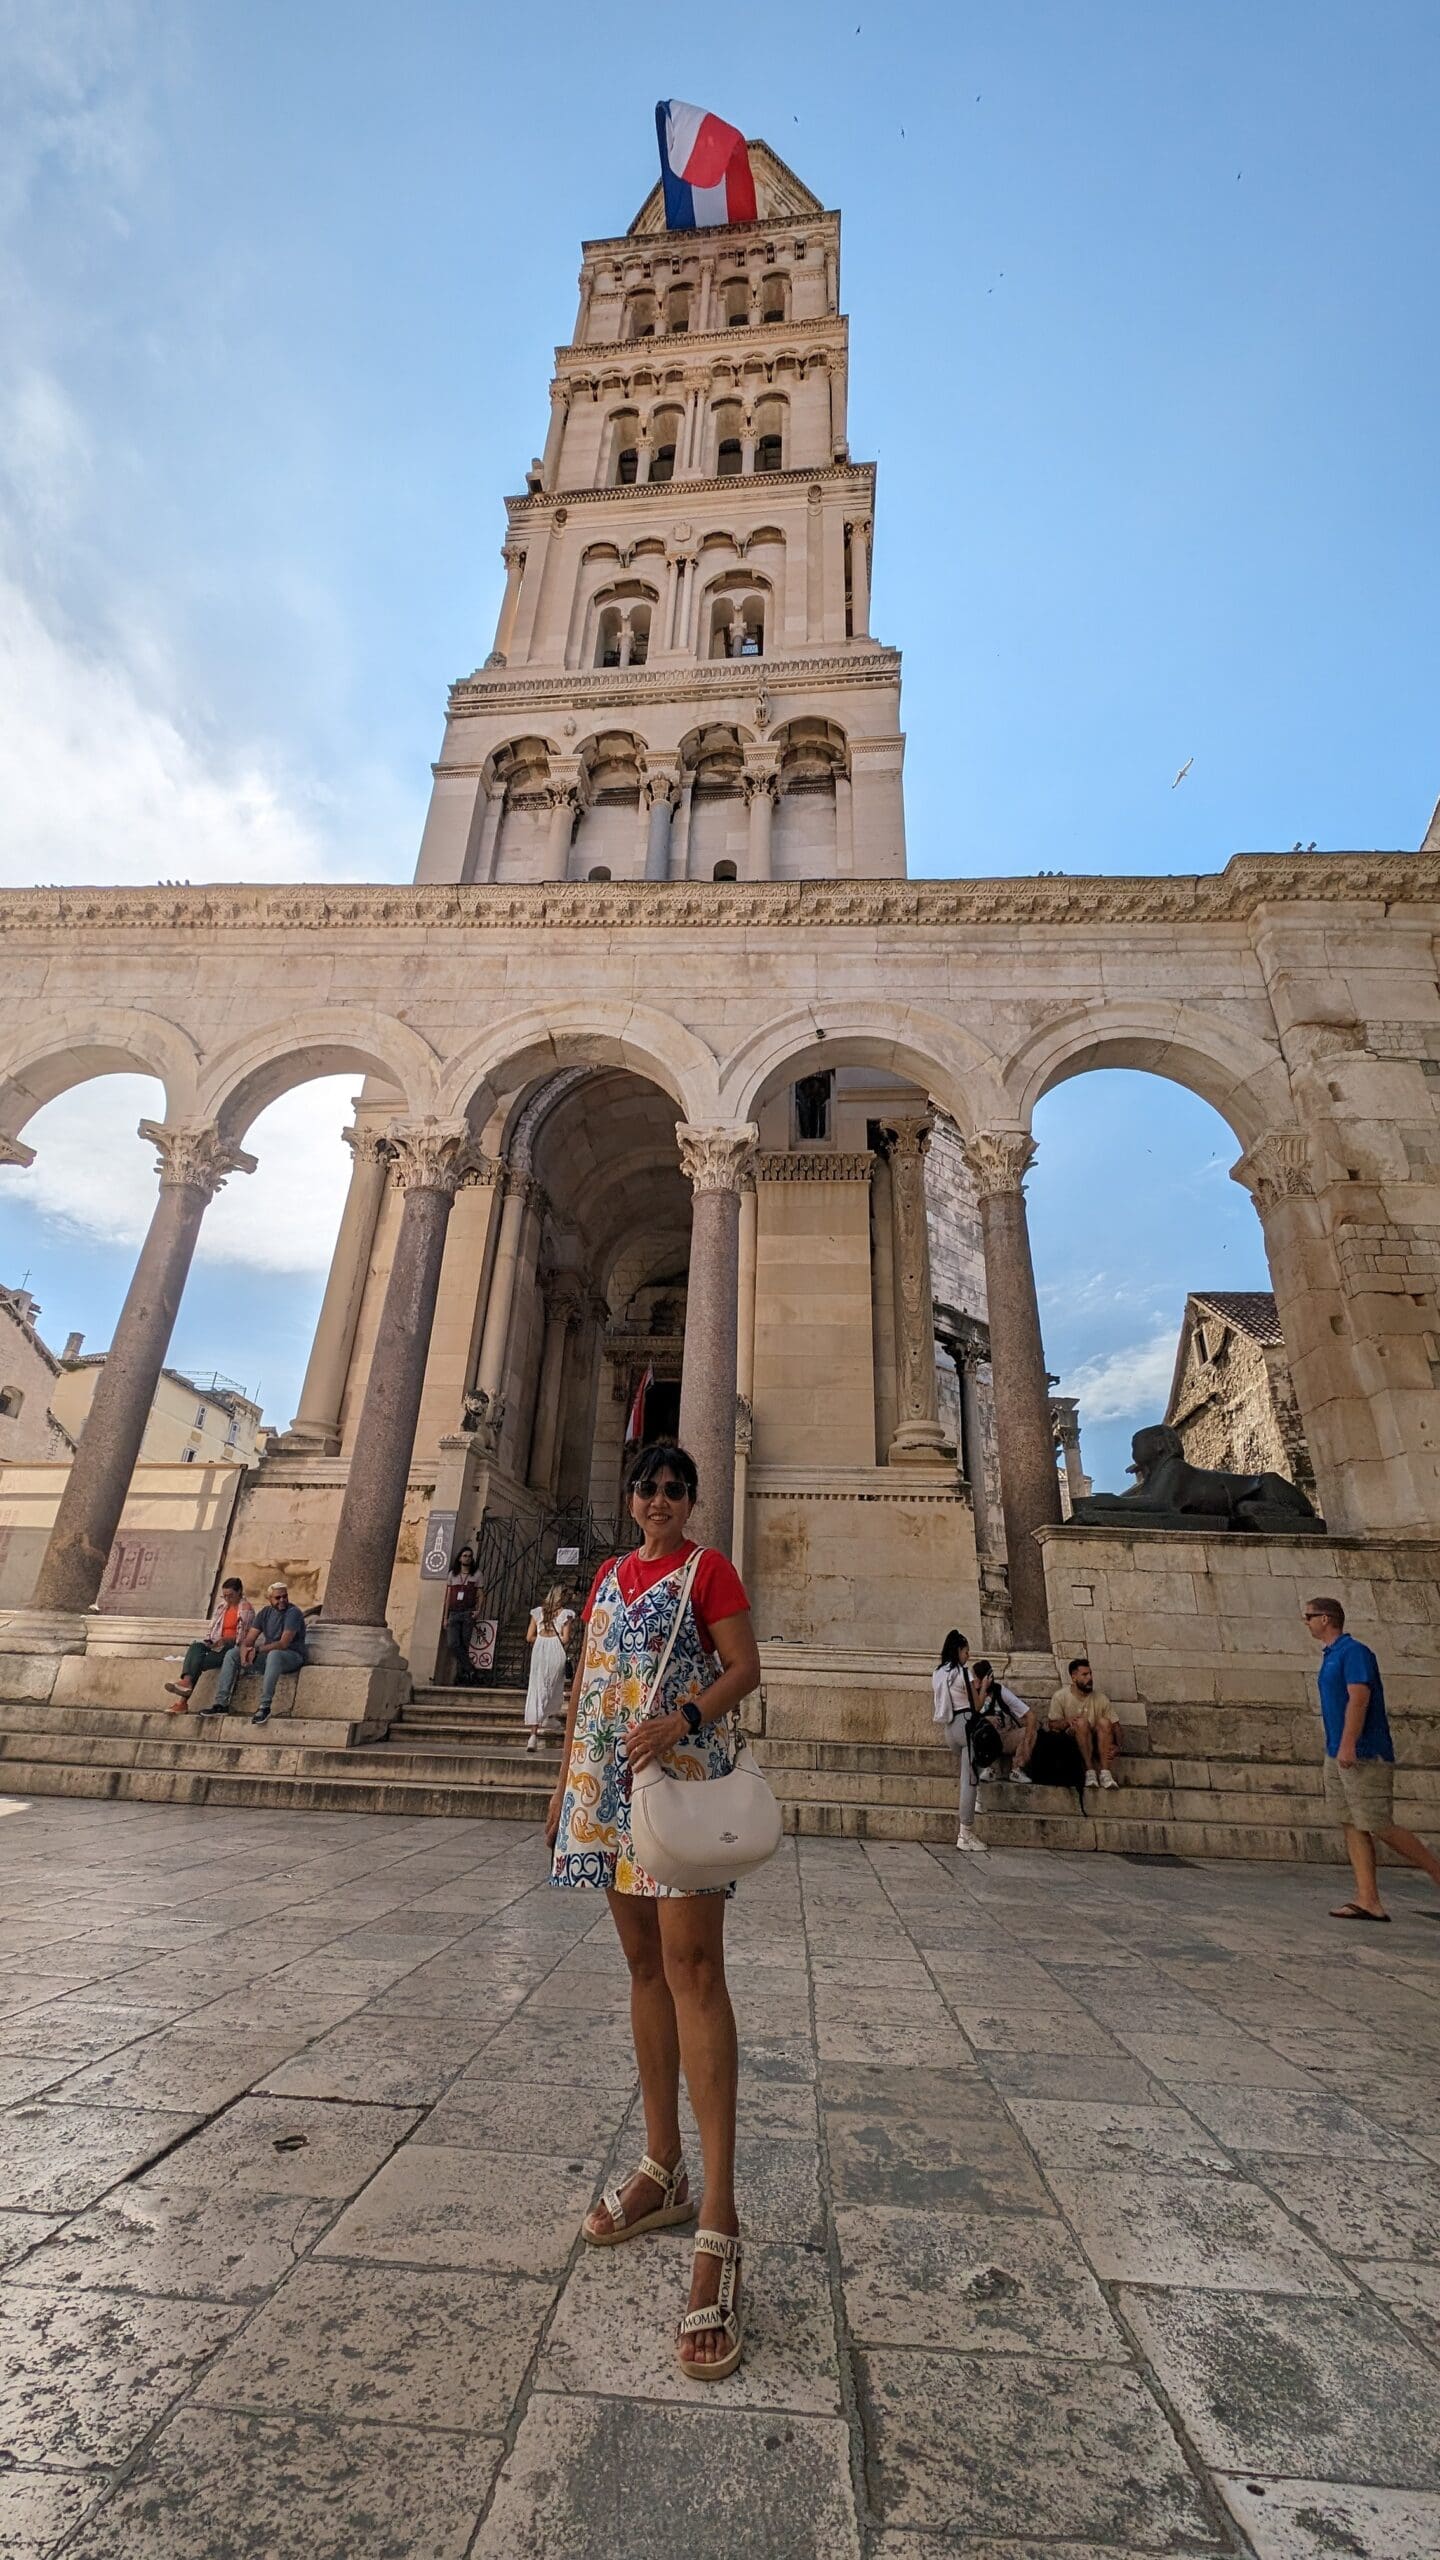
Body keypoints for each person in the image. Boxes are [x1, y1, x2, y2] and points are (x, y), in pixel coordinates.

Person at [546, 1441, 761, 2382]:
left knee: (695, 1973)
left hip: (676, 1778)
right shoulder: (606, 1575)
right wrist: (564, 1787)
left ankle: (718, 2215)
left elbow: (746, 1667)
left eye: (676, 1489)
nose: (661, 1500)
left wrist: (686, 1720)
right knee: (641, 1971)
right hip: (606, 1788)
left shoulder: (708, 1568)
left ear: (691, 1501)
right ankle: (662, 2166)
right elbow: (588, 1687)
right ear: (630, 1497)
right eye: (648, 1487)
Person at [1303, 1596, 1440, 1921]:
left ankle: (1436, 1871)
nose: (1305, 1622)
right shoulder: (1332, 1655)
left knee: (1379, 1823)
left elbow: (1359, 1698)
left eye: (1308, 1616)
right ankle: (1368, 1899)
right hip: (1337, 1752)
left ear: (1325, 1619)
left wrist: (1349, 1744)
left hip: (1364, 1753)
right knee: (1352, 1822)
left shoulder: (1354, 1653)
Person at [202, 1579, 308, 1727]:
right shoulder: (265, 1612)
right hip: (270, 1657)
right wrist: (245, 1650)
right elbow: (250, 1638)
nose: (282, 1600)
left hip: (292, 1656)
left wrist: (257, 1650)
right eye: (278, 1598)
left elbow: (283, 1644)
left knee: (274, 1654)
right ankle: (221, 1704)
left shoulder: (293, 1613)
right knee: (233, 1654)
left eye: (285, 1596)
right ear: (269, 1599)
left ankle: (265, 1706)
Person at [164, 1578, 253, 1712]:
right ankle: (186, 1682)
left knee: (197, 1662)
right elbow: (213, 1629)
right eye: (225, 1596)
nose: (228, 1599)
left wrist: (225, 1639)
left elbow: (245, 1637)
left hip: (232, 1648)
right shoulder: (222, 1607)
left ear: (239, 1592)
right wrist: (211, 1641)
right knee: (196, 1647)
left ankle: (183, 1701)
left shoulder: (246, 1609)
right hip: (217, 1645)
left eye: (231, 1596)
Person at [1049, 1657, 1122, 1789]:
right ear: (1074, 1677)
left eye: (1090, 1674)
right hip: (1072, 1742)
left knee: (1105, 1722)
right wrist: (1066, 1722)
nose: (1090, 1678)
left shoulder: (1101, 1698)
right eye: (1085, 1675)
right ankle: (1090, 1772)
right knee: (1081, 1722)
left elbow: (1116, 1725)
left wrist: (1118, 1746)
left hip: (1096, 1742)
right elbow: (1052, 1725)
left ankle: (1105, 1774)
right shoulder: (1060, 1696)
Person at [524, 1584, 575, 1749]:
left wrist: (542, 1640)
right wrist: (555, 1637)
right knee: (554, 1685)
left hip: (540, 1649)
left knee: (537, 1688)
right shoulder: (566, 1614)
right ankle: (549, 1716)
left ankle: (533, 1735)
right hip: (556, 1649)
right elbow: (566, 1639)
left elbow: (529, 1636)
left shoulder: (538, 1612)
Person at [969, 1661, 1038, 1783]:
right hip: (986, 1739)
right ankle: (988, 1769)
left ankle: (1017, 1769)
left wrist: (1027, 1743)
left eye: (975, 1677)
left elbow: (1030, 1715)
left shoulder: (1000, 1692)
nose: (973, 1680)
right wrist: (985, 1719)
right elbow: (966, 1720)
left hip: (1006, 1736)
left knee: (1031, 1732)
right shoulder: (971, 1695)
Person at [443, 1547, 483, 1686]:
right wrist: (445, 1617)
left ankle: (464, 1676)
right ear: (460, 1558)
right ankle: (471, 1670)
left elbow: (480, 1594)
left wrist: (478, 1610)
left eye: (470, 1556)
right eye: (464, 1555)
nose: (467, 1558)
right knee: (453, 1643)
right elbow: (448, 1596)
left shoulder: (476, 1575)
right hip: (454, 1612)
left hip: (467, 1613)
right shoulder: (452, 1575)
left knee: (464, 1645)